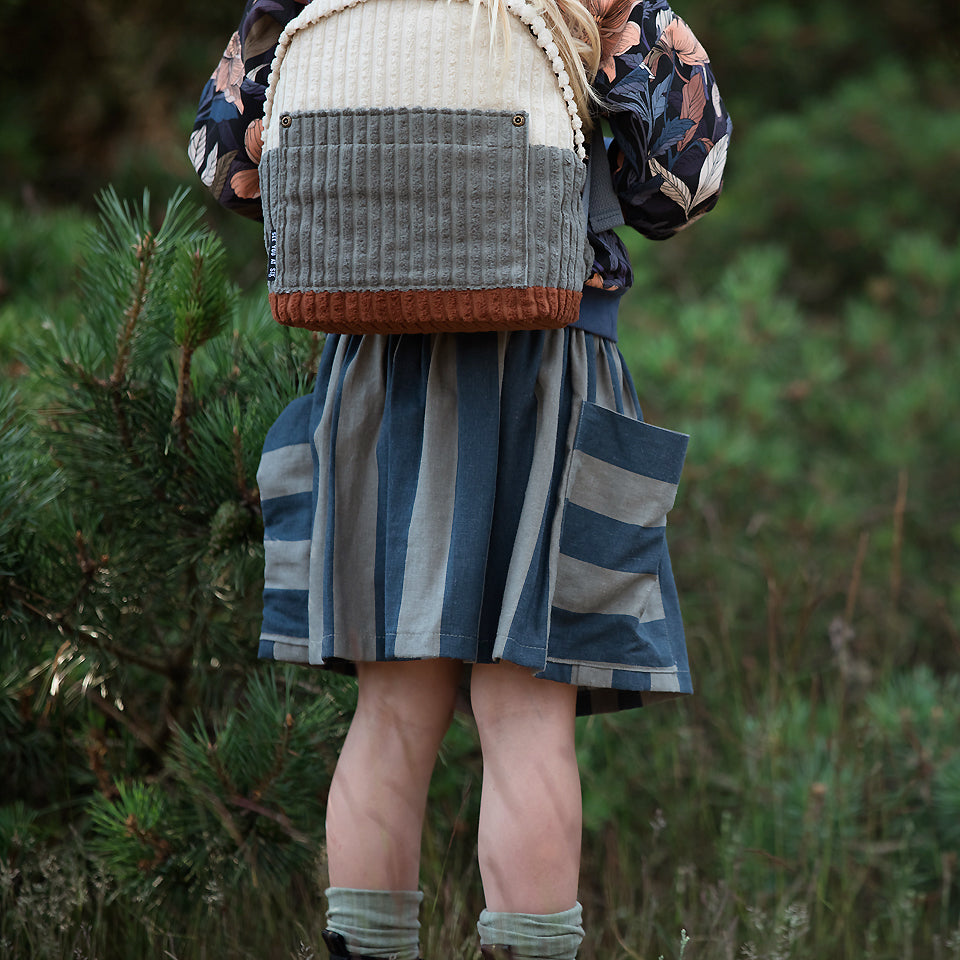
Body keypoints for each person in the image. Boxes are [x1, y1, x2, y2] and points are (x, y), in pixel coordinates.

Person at [190, 0, 730, 957]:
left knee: (391, 717)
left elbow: (226, 167)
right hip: (552, 370)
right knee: (525, 722)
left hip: (375, 379)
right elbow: (681, 184)